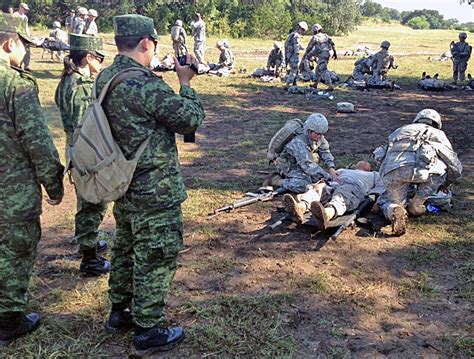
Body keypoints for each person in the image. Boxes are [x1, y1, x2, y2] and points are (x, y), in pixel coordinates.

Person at [95, 14, 205, 355]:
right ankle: (147, 329)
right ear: (146, 42)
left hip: (124, 185)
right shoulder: (144, 84)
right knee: (156, 255)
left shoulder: (106, 77)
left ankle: (120, 310)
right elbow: (189, 118)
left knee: (126, 248)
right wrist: (186, 82)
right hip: (155, 190)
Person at [0, 13, 64, 346]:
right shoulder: (15, 84)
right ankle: (9, 318)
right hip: (12, 192)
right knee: (14, 250)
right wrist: (53, 183)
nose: (25, 51)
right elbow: (37, 139)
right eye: (24, 44)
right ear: (11, 42)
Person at [54, 33, 110, 277]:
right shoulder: (82, 87)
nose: (102, 62)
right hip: (87, 154)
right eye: (100, 57)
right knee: (92, 205)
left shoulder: (67, 81)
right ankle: (89, 259)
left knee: (89, 203)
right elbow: (82, 126)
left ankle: (90, 242)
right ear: (88, 58)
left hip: (76, 151)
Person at [374, 109, 462, 236]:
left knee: (391, 201)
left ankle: (395, 210)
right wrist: (445, 184)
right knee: (419, 201)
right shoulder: (438, 134)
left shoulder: (400, 130)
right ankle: (416, 206)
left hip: (395, 170)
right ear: (436, 123)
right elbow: (455, 166)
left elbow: (380, 156)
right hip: (428, 173)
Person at [288, 161, 384, 228]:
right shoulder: (343, 170)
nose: (364, 162)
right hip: (335, 184)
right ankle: (301, 207)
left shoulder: (374, 174)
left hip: (354, 186)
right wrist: (322, 183)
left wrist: (373, 198)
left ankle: (327, 213)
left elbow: (381, 186)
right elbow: (330, 177)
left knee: (341, 195)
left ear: (369, 168)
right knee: (319, 189)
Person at [272, 113, 338, 194]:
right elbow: (308, 166)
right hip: (289, 166)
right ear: (309, 130)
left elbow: (325, 151)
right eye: (317, 134)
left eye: (322, 134)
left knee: (317, 180)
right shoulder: (298, 142)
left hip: (303, 163)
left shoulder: (317, 134)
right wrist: (328, 177)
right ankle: (277, 181)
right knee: (305, 185)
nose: (320, 137)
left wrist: (331, 168)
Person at [304, 23, 337, 91]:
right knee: (318, 70)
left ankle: (330, 85)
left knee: (323, 70)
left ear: (315, 30)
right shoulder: (326, 36)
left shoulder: (315, 37)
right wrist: (335, 53)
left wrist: (307, 54)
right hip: (327, 54)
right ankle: (315, 84)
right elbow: (333, 44)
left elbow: (309, 47)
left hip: (322, 55)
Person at [284, 21, 307, 87]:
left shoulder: (293, 34)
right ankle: (288, 84)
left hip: (289, 55)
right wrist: (297, 56)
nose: (304, 32)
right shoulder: (296, 36)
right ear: (301, 29)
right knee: (294, 70)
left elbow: (296, 45)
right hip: (293, 55)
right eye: (303, 30)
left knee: (296, 70)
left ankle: (294, 82)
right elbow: (296, 46)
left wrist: (303, 48)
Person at [12, 2, 30, 71]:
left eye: (26, 10)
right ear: (21, 8)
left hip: (24, 35)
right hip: (17, 35)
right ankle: (17, 65)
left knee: (27, 50)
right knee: (18, 50)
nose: (25, 11)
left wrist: (28, 36)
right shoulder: (15, 15)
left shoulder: (25, 17)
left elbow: (26, 27)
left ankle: (27, 66)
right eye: (24, 9)